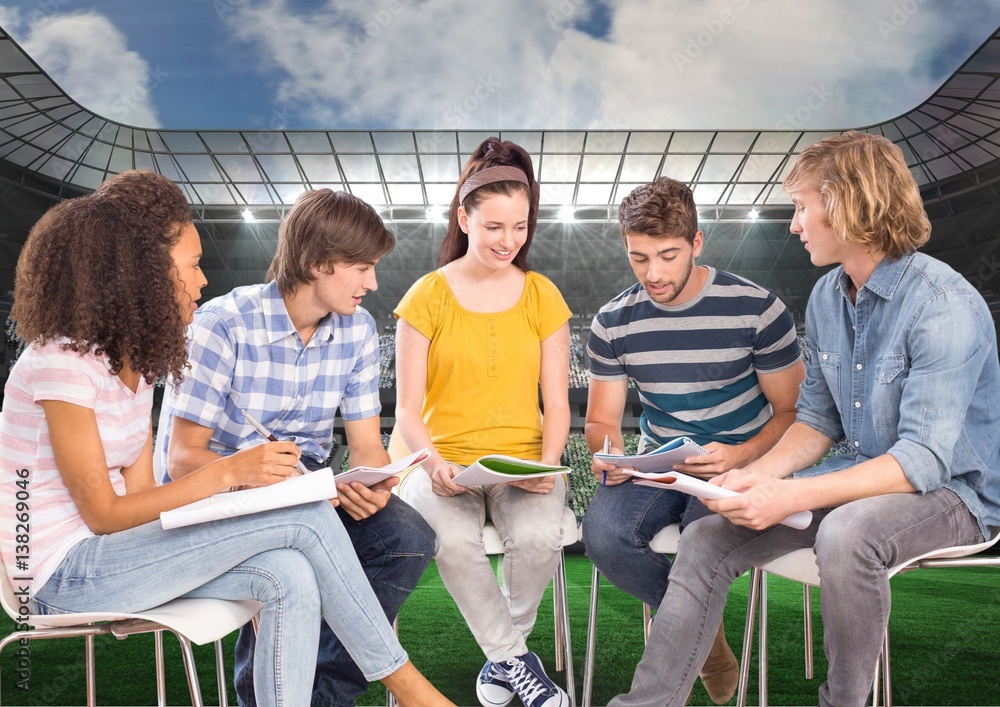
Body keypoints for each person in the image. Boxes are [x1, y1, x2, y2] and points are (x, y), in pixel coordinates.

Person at [0, 170, 454, 707]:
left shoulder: (139, 366)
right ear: (140, 273)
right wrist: (233, 475)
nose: (203, 280)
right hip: (58, 577)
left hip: (119, 554)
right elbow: (103, 514)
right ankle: (406, 684)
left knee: (288, 571)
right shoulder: (60, 362)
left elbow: (142, 502)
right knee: (301, 517)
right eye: (192, 266)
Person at [608, 131, 1000, 707]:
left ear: (845, 203)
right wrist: (761, 475)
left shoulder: (943, 303)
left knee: (846, 533)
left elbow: (923, 461)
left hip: (954, 494)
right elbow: (815, 419)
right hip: (861, 475)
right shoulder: (825, 296)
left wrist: (789, 498)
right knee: (707, 535)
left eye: (801, 206)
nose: (794, 224)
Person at [155, 188, 436, 706]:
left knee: (407, 534)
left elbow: (366, 445)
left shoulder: (358, 332)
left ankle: (325, 696)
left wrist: (374, 482)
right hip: (219, 486)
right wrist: (268, 482)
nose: (372, 283)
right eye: (360, 267)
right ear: (316, 264)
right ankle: (266, 695)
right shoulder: (221, 324)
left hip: (304, 485)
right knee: (290, 551)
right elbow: (182, 458)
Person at [582, 176, 806, 703]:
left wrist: (744, 454)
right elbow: (601, 420)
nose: (653, 274)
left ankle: (687, 626)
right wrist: (607, 455)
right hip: (661, 464)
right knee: (603, 536)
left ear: (697, 243)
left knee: (700, 549)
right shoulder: (613, 321)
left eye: (667, 255)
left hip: (740, 466)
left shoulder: (757, 308)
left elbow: (795, 411)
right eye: (639, 258)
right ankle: (705, 639)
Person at [392, 137, 572, 707]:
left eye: (519, 226)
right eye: (495, 226)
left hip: (521, 460)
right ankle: (516, 662)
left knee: (543, 536)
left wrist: (545, 465)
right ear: (463, 217)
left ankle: (502, 662)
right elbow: (406, 411)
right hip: (443, 461)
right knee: (449, 537)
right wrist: (434, 463)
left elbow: (559, 405)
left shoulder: (543, 296)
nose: (509, 240)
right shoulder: (427, 296)